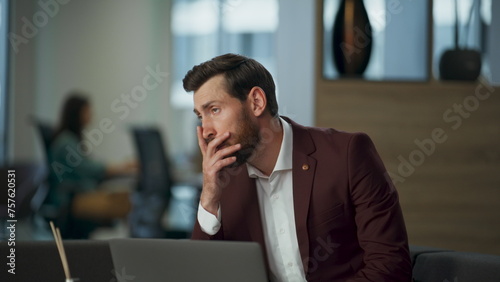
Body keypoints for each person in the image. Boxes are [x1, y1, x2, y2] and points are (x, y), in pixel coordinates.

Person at [183, 54, 412, 281]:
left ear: (256, 102)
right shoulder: (224, 181)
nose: (206, 130)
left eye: (214, 110)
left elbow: (390, 267)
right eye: (200, 116)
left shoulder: (347, 154)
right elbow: (199, 275)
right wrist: (209, 199)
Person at [48, 93, 135, 238]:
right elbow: (89, 168)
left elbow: (89, 166)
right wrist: (122, 167)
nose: (91, 114)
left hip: (78, 195)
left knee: (127, 197)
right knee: (131, 203)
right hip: (73, 200)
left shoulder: (69, 139)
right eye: (87, 111)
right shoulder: (66, 142)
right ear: (77, 114)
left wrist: (121, 168)